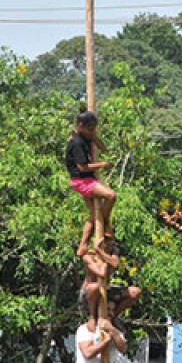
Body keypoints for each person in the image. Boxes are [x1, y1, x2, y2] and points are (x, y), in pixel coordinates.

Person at [65, 110, 116, 256]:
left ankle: (82, 246)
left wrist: (93, 135)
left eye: (94, 128)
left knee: (94, 215)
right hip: (82, 180)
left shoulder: (85, 135)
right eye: (90, 128)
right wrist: (102, 164)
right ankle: (105, 222)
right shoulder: (76, 142)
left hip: (86, 179)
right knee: (111, 196)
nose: (92, 131)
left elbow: (103, 148)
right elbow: (82, 167)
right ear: (80, 125)